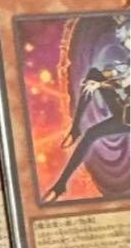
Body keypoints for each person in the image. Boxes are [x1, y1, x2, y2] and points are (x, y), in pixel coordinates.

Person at [43, 20, 130, 203]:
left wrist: (101, 84)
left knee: (91, 134)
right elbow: (121, 72)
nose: (125, 44)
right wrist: (103, 78)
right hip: (124, 108)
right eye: (124, 41)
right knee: (93, 74)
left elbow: (124, 82)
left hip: (127, 119)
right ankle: (75, 128)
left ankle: (60, 186)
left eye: (127, 40)